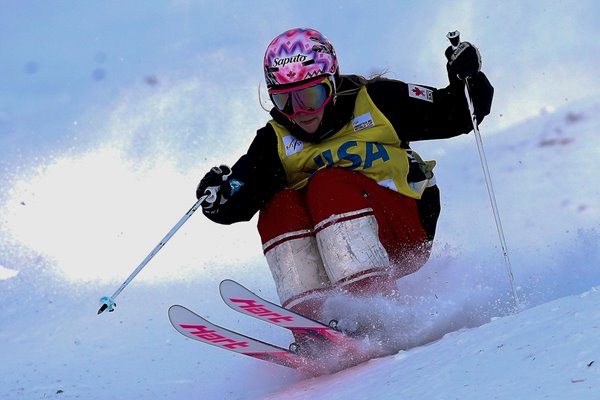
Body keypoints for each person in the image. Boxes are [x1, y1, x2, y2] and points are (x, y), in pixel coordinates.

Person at [196, 28, 493, 324]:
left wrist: (465, 76)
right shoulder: (275, 141)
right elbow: (238, 201)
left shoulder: (377, 101)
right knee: (278, 205)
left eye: (312, 96)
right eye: (284, 101)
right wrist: (216, 197)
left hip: (405, 226)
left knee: (328, 183)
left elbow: (460, 113)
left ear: (332, 83)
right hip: (334, 249)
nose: (300, 112)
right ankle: (312, 321)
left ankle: (374, 306)